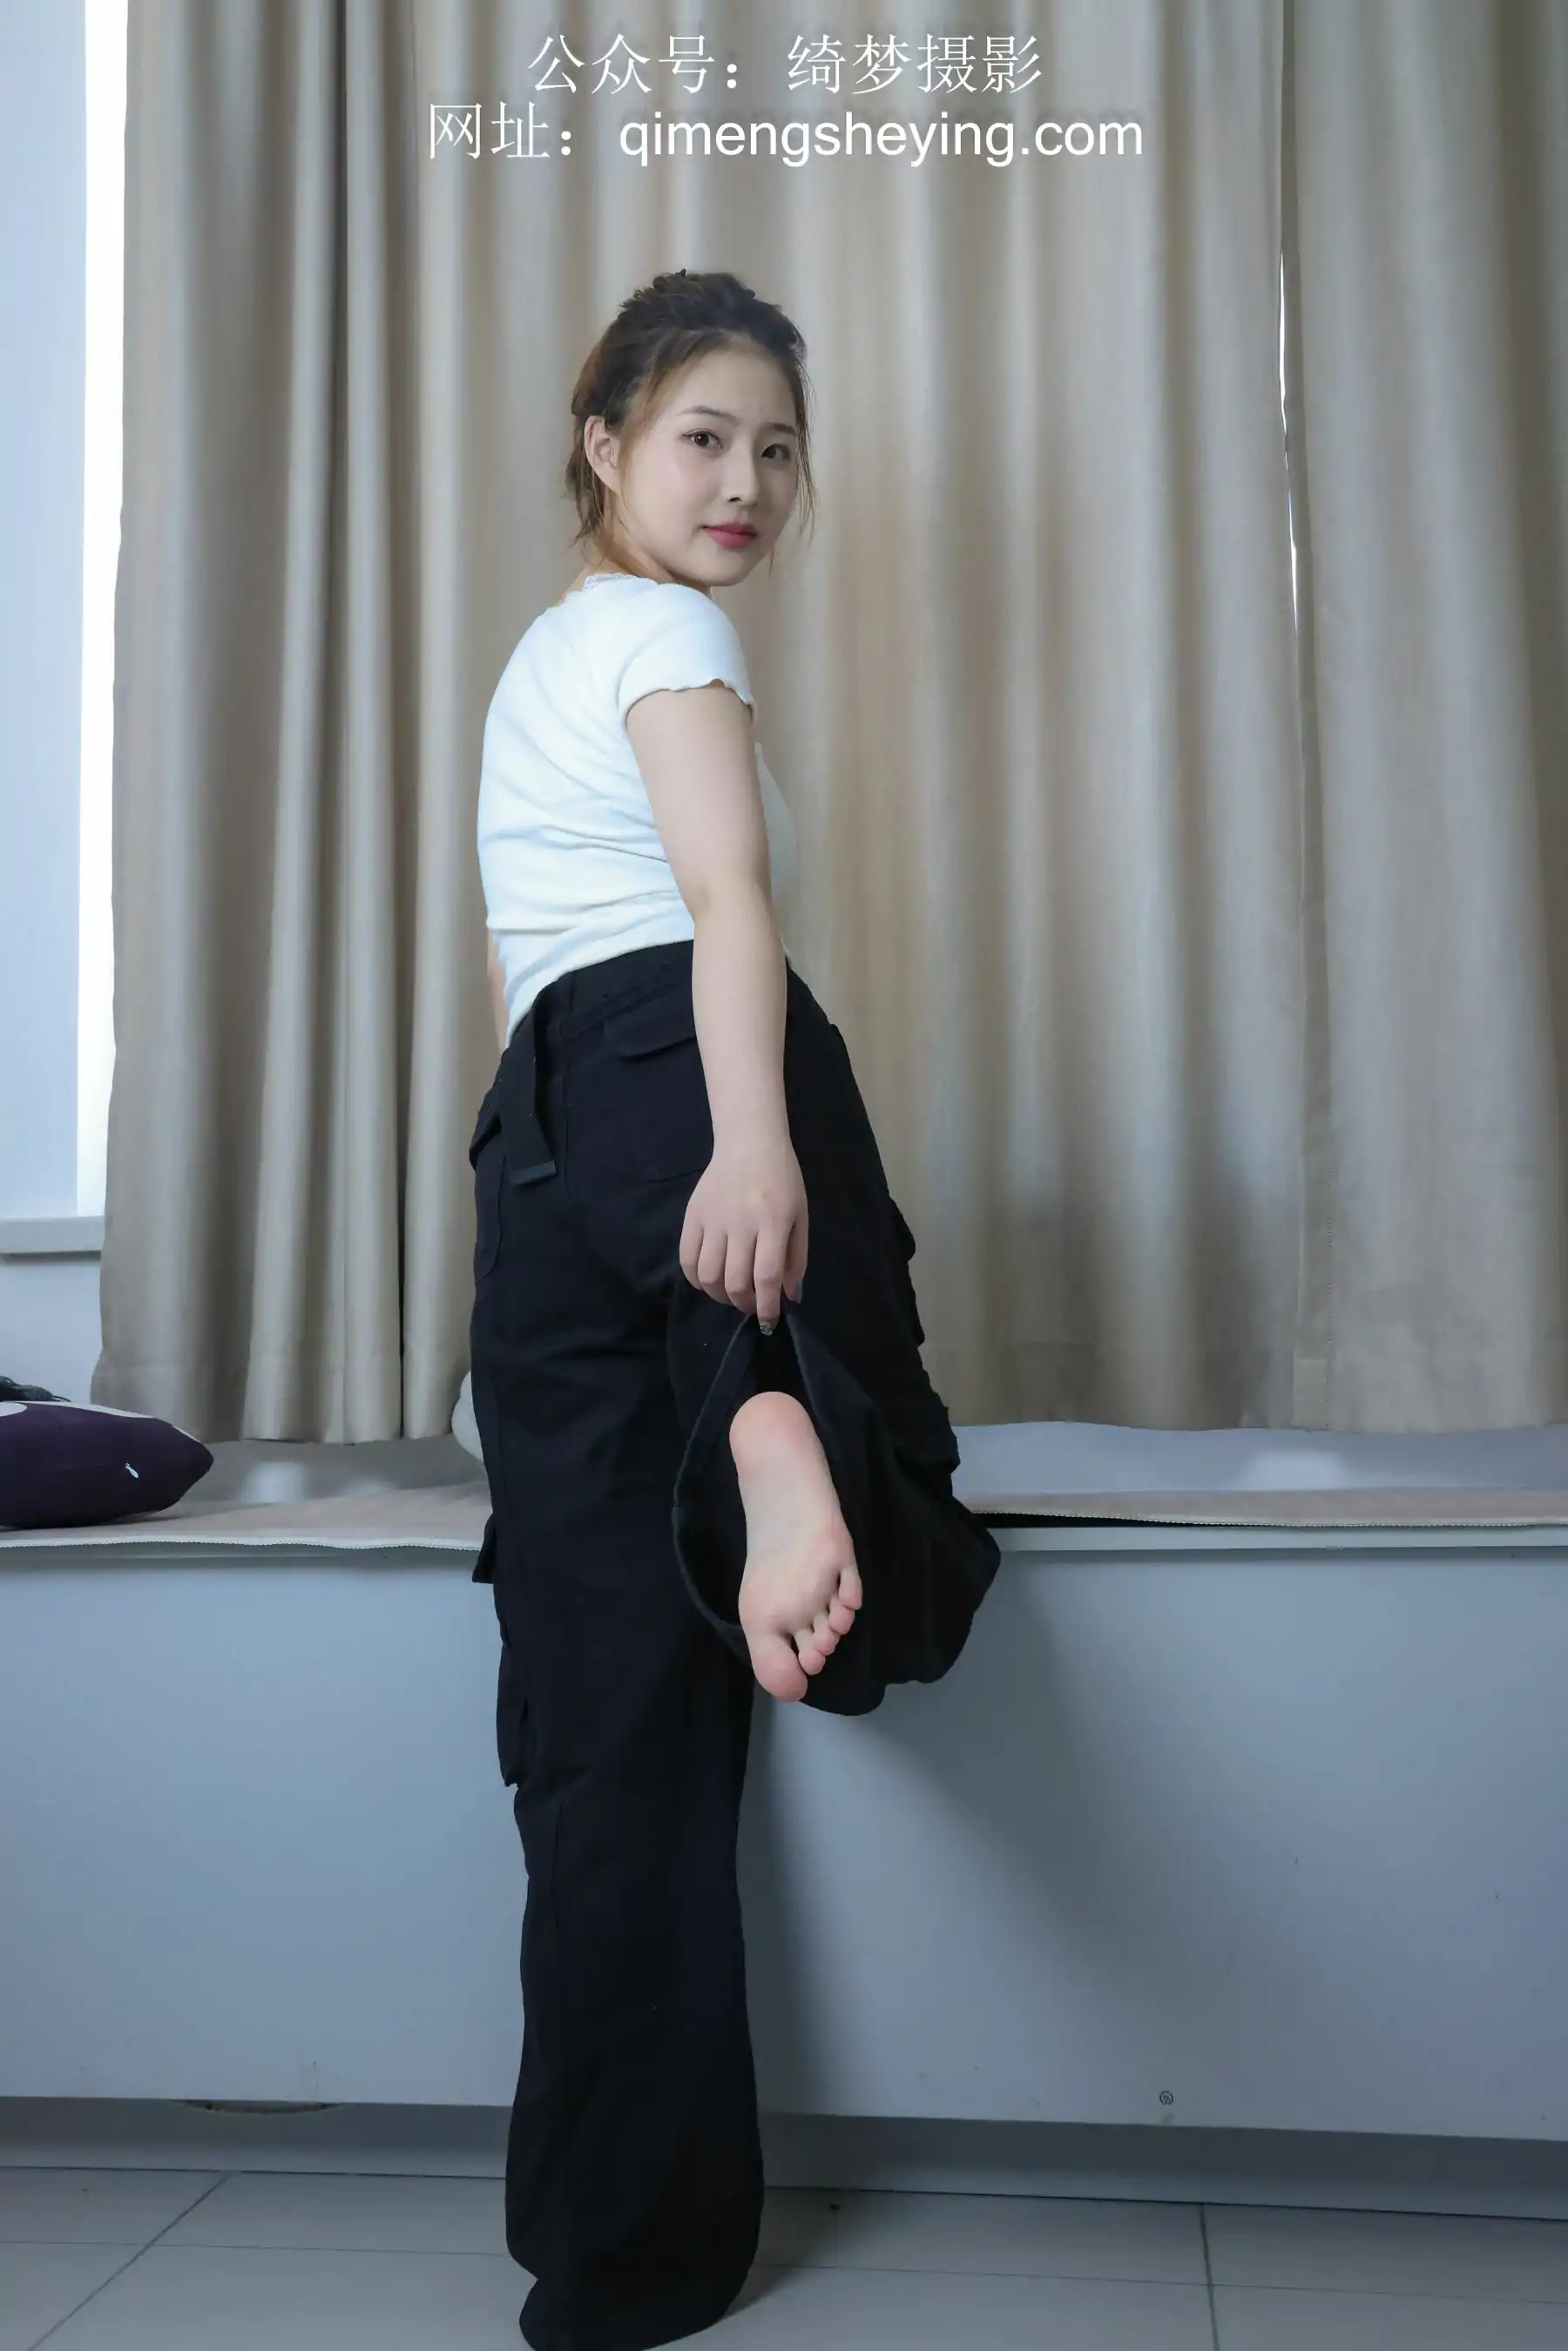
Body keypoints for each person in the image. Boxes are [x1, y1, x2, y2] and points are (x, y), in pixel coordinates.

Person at [466, 268, 1001, 2351]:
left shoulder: (546, 659)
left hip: (542, 1152)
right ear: (603, 441)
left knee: (601, 1742)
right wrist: (758, 1147)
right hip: (682, 1069)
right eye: (703, 435)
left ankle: (610, 2259)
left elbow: (538, 987)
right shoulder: (673, 637)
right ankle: (765, 1416)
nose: (747, 482)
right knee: (895, 1510)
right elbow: (724, 903)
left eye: (778, 448)